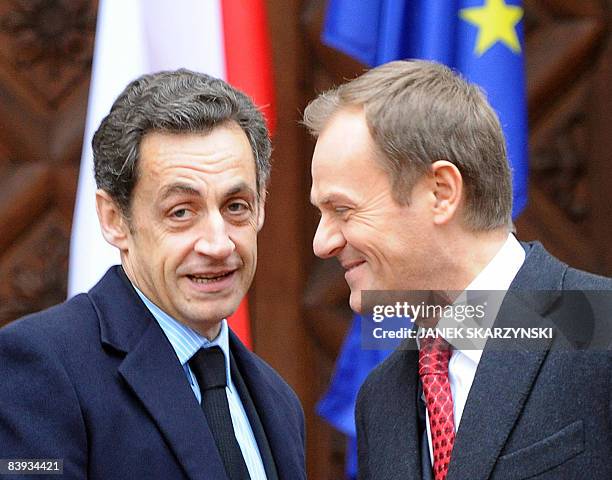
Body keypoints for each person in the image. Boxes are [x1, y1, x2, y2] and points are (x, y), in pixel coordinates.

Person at [304, 60, 611, 479]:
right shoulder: (380, 400)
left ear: (441, 192)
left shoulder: (601, 332)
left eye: (343, 210)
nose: (323, 242)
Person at [0, 70, 305, 480]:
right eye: (181, 212)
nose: (218, 244)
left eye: (236, 206)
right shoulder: (41, 369)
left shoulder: (278, 401)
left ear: (261, 207)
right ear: (114, 220)